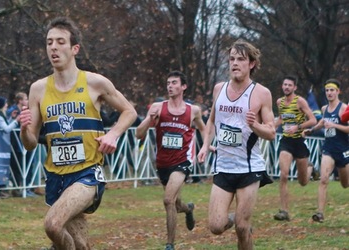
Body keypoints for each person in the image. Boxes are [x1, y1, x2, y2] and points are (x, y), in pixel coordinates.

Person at [18, 16, 137, 249]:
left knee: (53, 225)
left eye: (60, 41)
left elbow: (129, 111)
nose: (53, 47)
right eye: (49, 42)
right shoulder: (38, 89)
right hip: (55, 176)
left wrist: (113, 134)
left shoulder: (95, 83)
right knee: (81, 245)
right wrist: (24, 129)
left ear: (74, 49)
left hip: (87, 173)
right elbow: (30, 143)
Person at [197, 39, 275, 249]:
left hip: (249, 167)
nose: (235, 63)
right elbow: (212, 120)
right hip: (223, 166)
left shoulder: (261, 93)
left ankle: (242, 221)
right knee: (216, 225)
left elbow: (271, 133)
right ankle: (237, 217)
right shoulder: (219, 89)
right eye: (232, 59)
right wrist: (205, 145)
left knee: (242, 228)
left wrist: (255, 125)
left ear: (251, 64)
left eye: (241, 59)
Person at [135, 70, 205, 250]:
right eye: (168, 83)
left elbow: (204, 129)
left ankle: (170, 244)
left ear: (183, 87)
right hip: (163, 163)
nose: (170, 86)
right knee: (176, 202)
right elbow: (138, 134)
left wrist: (205, 147)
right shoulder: (158, 108)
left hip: (182, 162)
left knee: (168, 200)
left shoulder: (193, 111)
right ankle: (188, 209)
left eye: (174, 83)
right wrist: (149, 120)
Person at [303, 79, 349, 223]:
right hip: (328, 149)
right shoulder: (324, 109)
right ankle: (320, 213)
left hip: (343, 149)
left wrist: (335, 126)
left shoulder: (343, 108)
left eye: (332, 90)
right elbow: (323, 122)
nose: (329, 93)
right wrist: (311, 129)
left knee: (345, 183)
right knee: (323, 179)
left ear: (338, 92)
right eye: (327, 90)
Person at [273, 75, 317, 221]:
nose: (286, 87)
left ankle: (310, 168)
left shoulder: (300, 101)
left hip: (299, 142)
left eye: (289, 85)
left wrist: (298, 126)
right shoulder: (279, 102)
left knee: (303, 181)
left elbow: (313, 120)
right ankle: (284, 211)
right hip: (286, 141)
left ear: (294, 88)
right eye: (285, 85)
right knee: (283, 175)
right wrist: (269, 127)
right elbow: (281, 119)